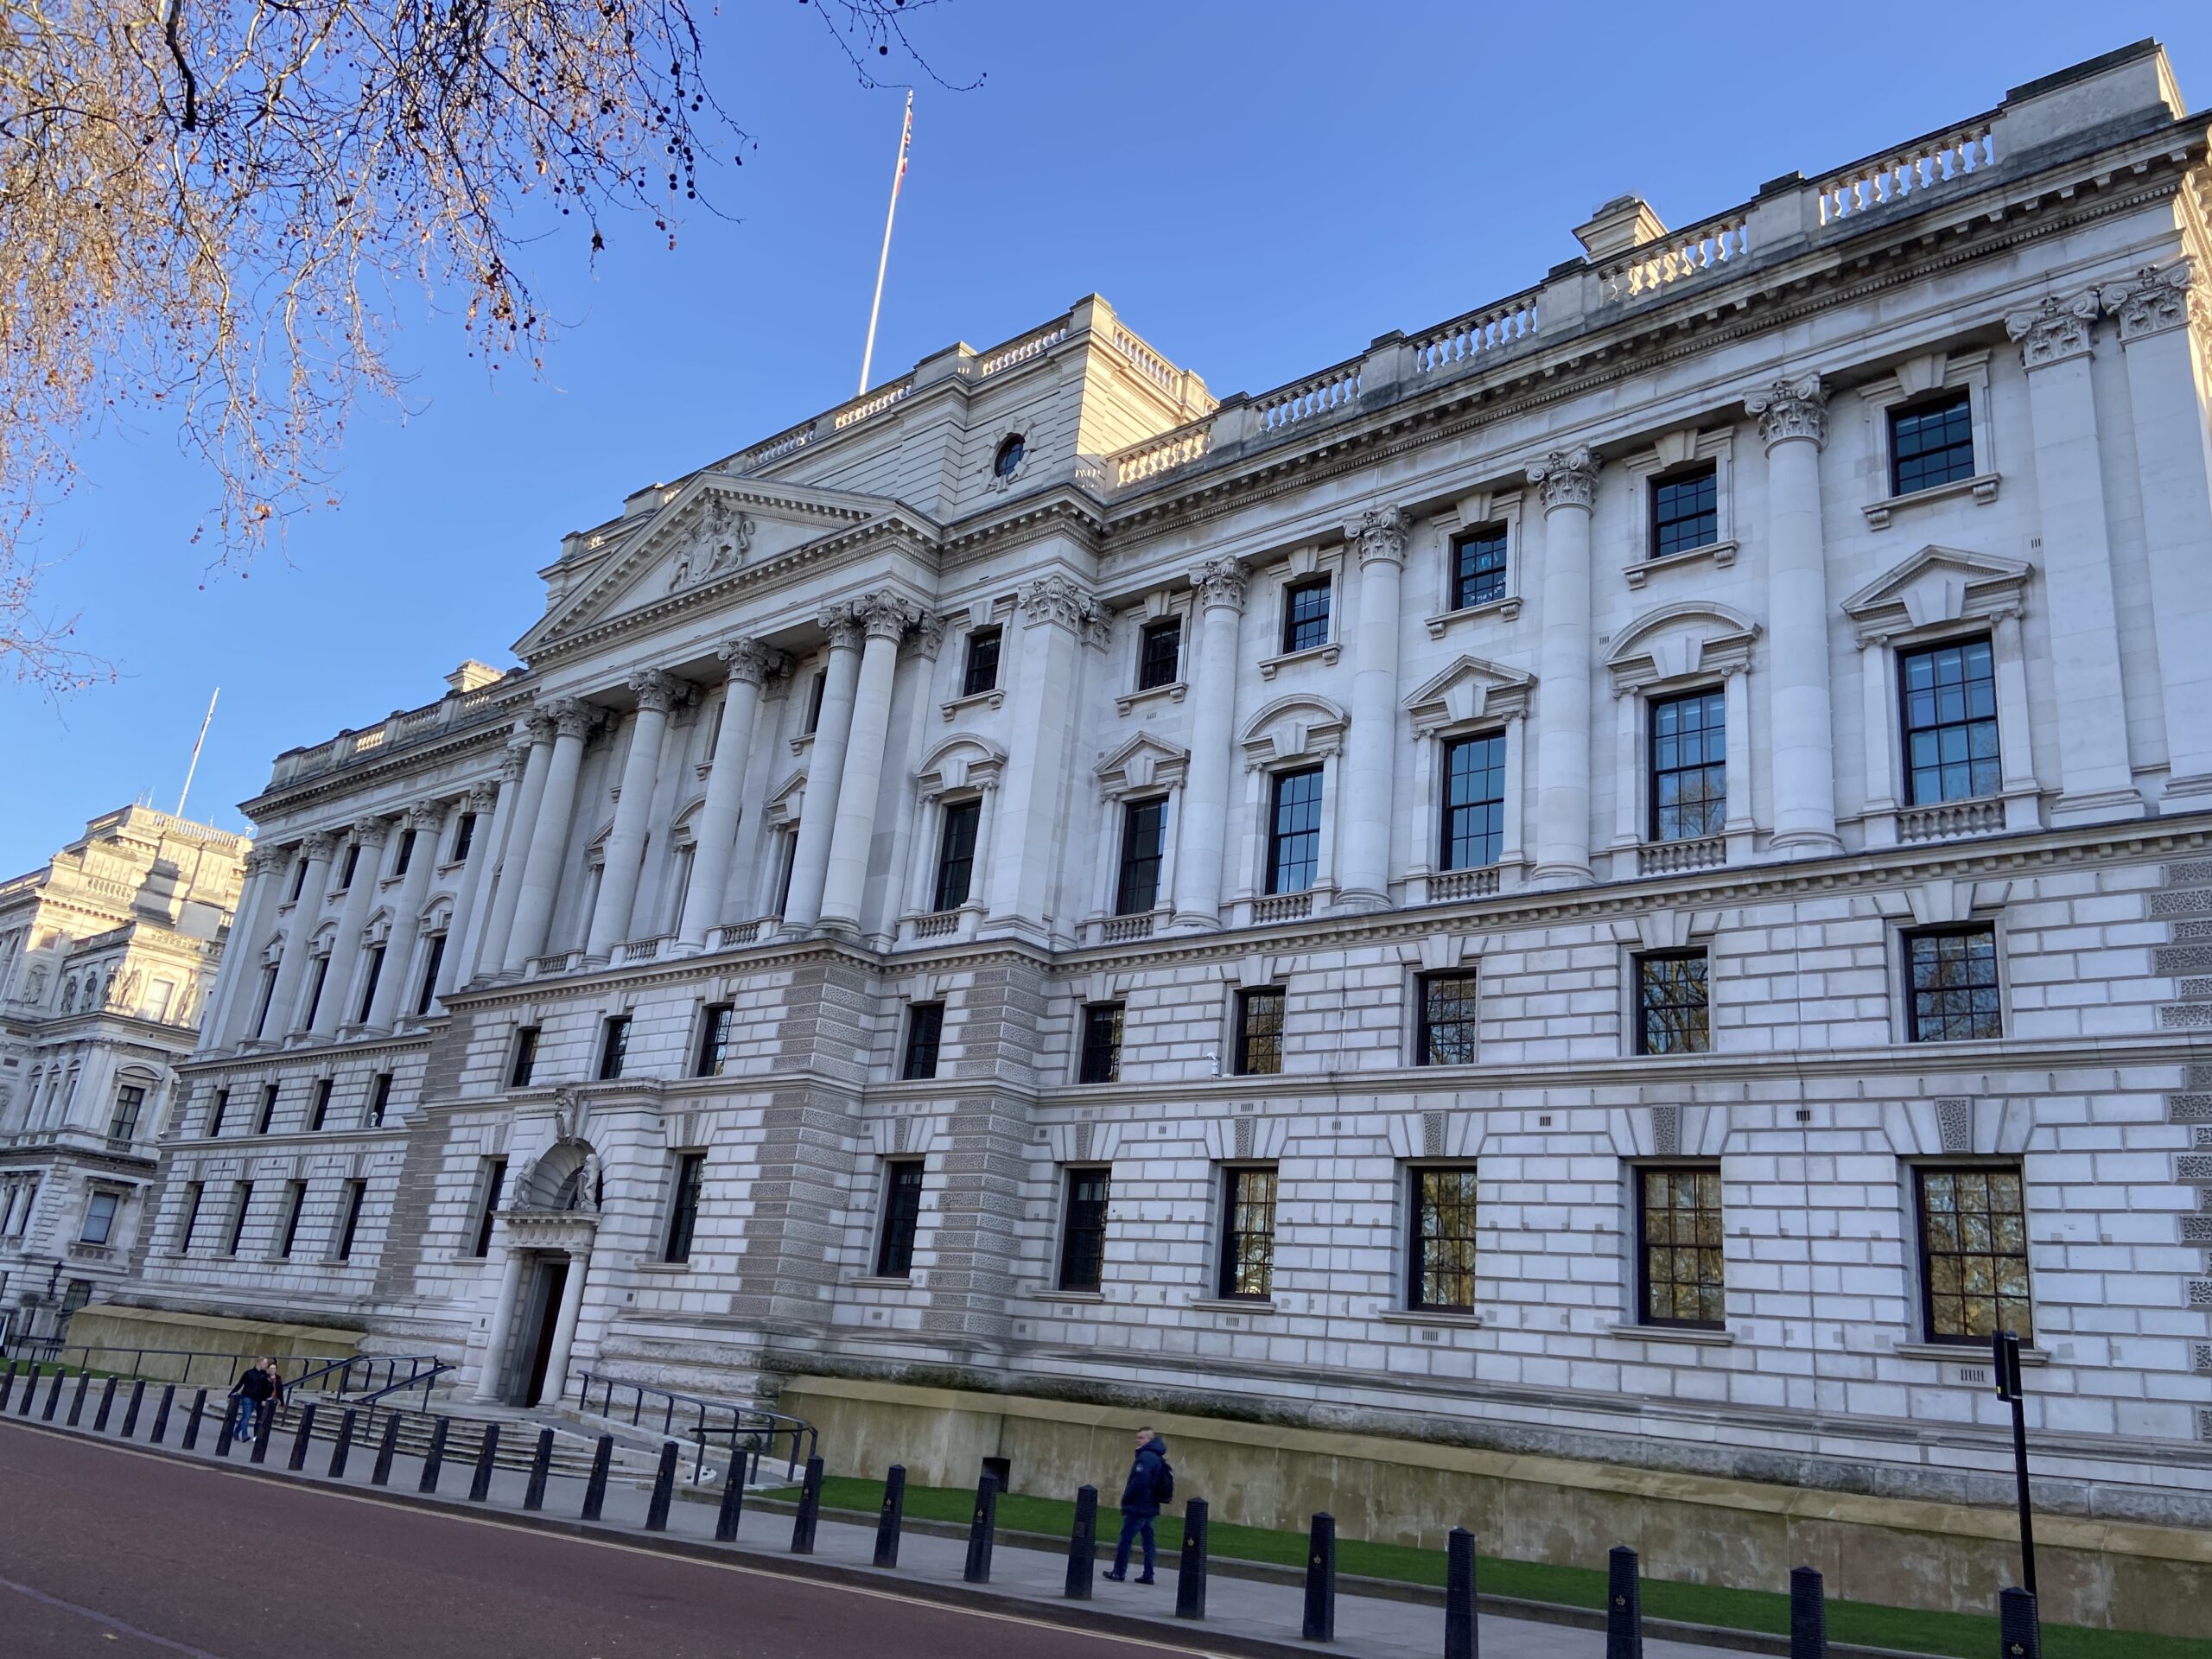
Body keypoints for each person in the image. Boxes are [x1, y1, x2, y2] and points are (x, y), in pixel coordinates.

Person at [1103, 1426, 1170, 1584]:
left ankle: (1119, 1572)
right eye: (1137, 1437)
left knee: (1125, 1539)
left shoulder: (1146, 1457)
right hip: (1151, 1505)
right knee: (1148, 1542)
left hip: (1139, 1506)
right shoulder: (1157, 1456)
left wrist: (1128, 1498)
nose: (1137, 1440)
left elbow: (1140, 1481)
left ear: (1149, 1440)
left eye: (1141, 1438)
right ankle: (1148, 1574)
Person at [230, 1356, 275, 1441]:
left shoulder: (264, 1375)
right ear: (260, 1363)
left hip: (256, 1398)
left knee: (245, 1416)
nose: (266, 1365)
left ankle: (236, 1432)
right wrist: (232, 1393)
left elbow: (269, 1388)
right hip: (246, 1396)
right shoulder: (249, 1373)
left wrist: (265, 1398)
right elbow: (240, 1384)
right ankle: (244, 1435)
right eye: (265, 1363)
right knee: (247, 1415)